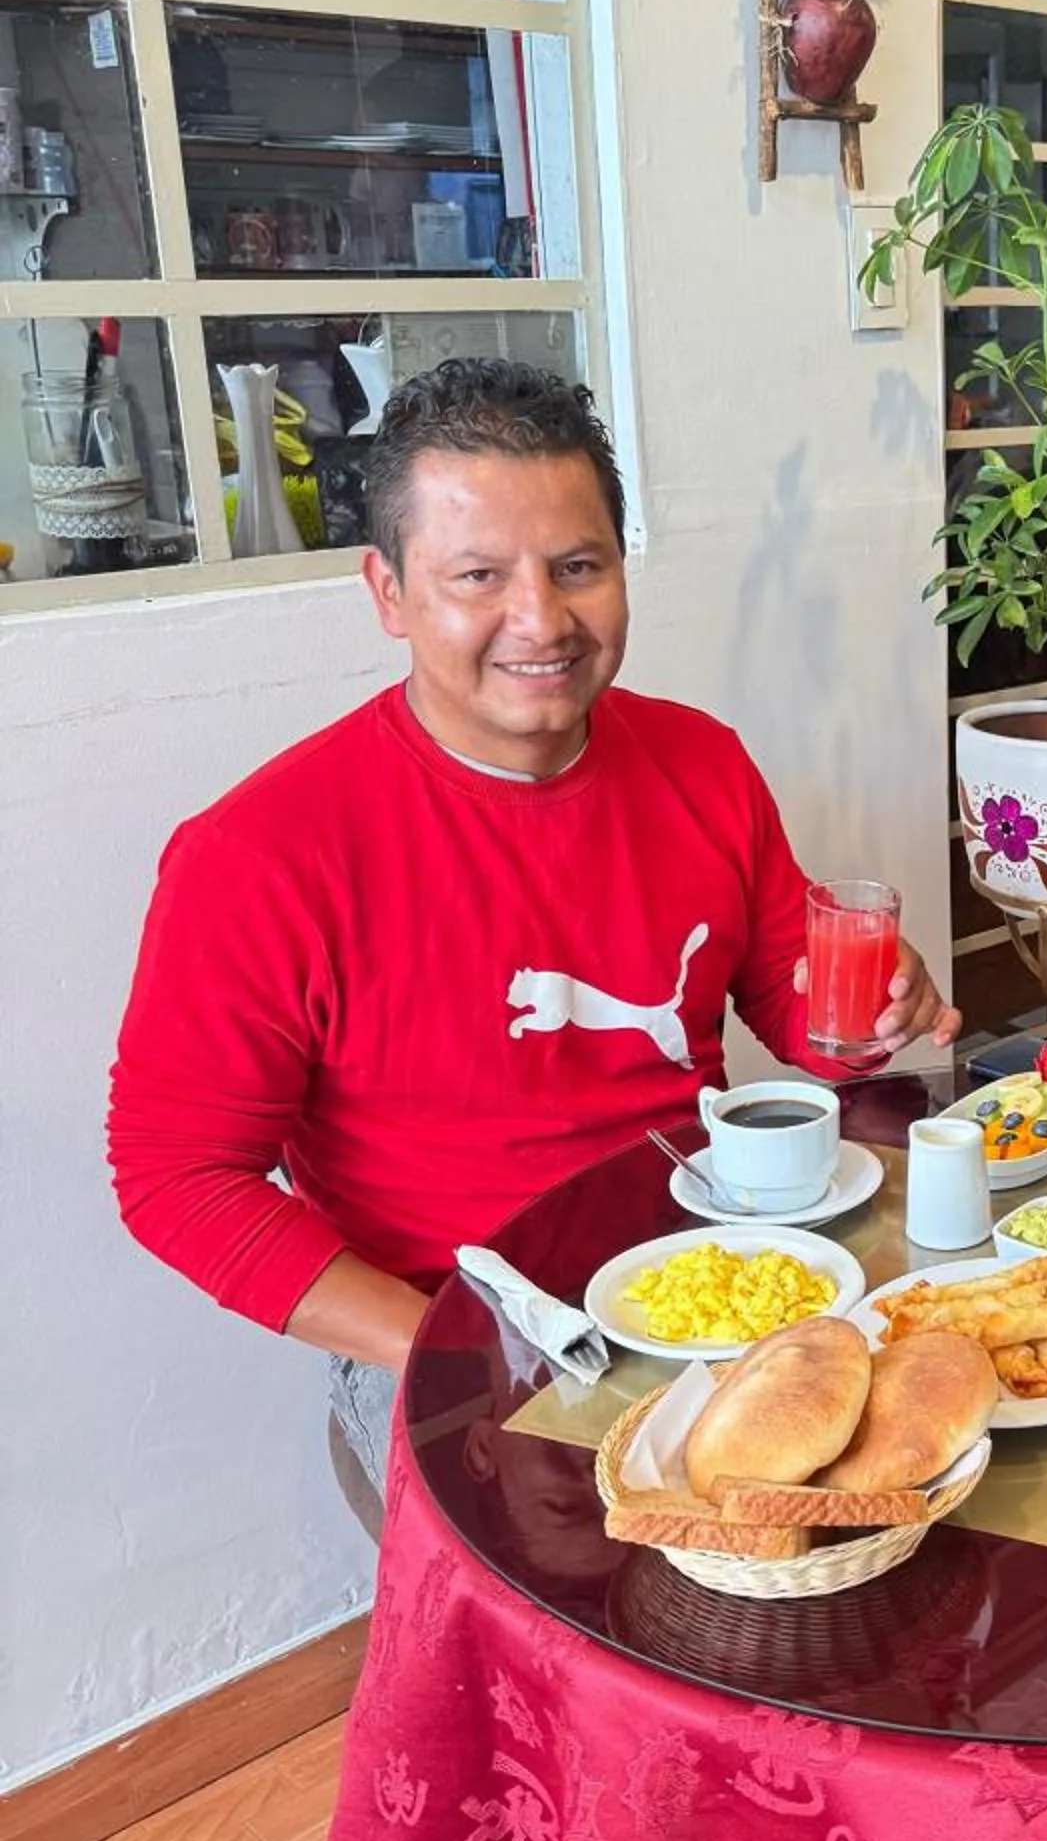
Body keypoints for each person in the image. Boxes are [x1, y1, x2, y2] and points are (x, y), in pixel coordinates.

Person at [109, 358, 956, 1519]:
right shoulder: (259, 854)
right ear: (389, 592)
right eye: (479, 576)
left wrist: (880, 1010)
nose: (542, 621)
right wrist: (448, 1345)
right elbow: (175, 1176)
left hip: (717, 1272)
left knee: (907, 1506)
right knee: (602, 1600)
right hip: (457, 1319)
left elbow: (798, 1014)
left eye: (578, 567)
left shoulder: (702, 763)